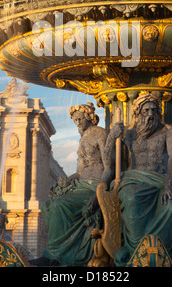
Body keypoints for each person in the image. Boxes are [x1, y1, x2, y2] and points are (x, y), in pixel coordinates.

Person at [106, 93, 172, 266]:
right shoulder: (127, 133)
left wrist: (168, 185)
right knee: (131, 198)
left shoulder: (168, 130)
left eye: (154, 110)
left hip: (161, 180)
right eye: (146, 110)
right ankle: (136, 251)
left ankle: (162, 253)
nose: (150, 114)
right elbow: (110, 163)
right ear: (138, 113)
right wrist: (111, 137)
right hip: (134, 180)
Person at [34, 103, 115, 267]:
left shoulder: (100, 133)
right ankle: (56, 251)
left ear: (89, 117)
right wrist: (60, 182)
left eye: (80, 118)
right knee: (47, 205)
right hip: (82, 184)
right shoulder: (83, 138)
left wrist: (99, 191)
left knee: (59, 205)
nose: (77, 122)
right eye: (75, 119)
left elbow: (109, 168)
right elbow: (79, 171)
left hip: (94, 185)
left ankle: (54, 255)